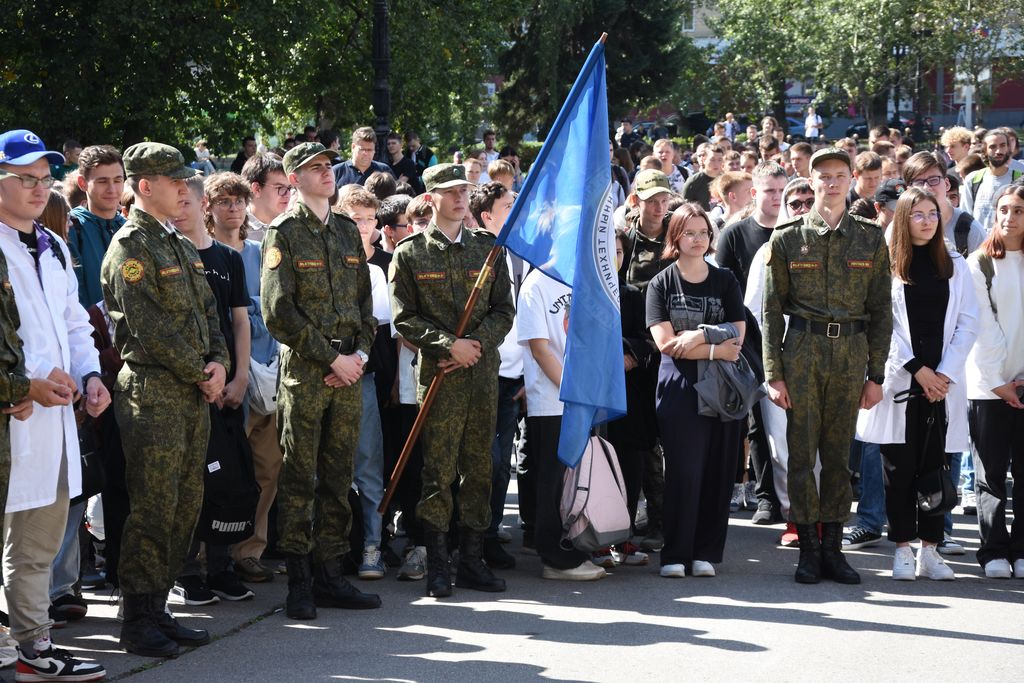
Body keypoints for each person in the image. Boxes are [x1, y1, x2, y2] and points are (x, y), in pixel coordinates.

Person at [101, 142, 228, 657]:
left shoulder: (176, 243)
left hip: (191, 392)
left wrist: (218, 361)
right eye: (174, 181)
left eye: (186, 180)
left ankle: (159, 607)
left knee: (183, 504)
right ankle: (137, 617)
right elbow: (148, 329)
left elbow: (208, 312)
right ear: (145, 186)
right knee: (152, 508)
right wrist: (201, 370)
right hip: (154, 394)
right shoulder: (131, 247)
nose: (185, 188)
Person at [0, 128, 108, 681]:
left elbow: (74, 323)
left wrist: (91, 375)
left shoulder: (53, 244)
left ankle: (33, 649)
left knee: (38, 544)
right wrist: (24, 385)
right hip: (11, 415)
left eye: (43, 178)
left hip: (53, 419)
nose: (38, 188)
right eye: (24, 178)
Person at [260, 142, 382, 618]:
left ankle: (332, 574)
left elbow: (365, 304)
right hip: (308, 372)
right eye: (313, 167)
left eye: (328, 165)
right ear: (294, 179)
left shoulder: (348, 231)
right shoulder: (284, 232)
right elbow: (277, 311)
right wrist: (332, 359)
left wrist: (360, 354)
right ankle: (299, 580)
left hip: (349, 370)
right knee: (300, 477)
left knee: (337, 475)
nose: (325, 172)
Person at [762, 148, 893, 585]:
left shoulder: (870, 237)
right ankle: (808, 548)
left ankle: (834, 548)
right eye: (824, 176)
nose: (832, 183)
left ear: (851, 179)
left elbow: (880, 310)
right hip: (801, 349)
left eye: (840, 175)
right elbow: (770, 311)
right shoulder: (786, 238)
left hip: (851, 352)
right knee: (801, 455)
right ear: (811, 180)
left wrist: (876, 375)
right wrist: (773, 374)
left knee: (838, 457)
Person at [389, 164, 514, 597]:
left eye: (464, 190)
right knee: (437, 471)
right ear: (430, 199)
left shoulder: (488, 248)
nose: (461, 198)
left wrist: (474, 344)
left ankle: (473, 560)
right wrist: (448, 345)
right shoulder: (409, 253)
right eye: (450, 191)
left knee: (479, 467)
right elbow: (404, 318)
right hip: (439, 376)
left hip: (480, 374)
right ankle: (439, 563)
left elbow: (503, 310)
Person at [856, 187, 978, 581]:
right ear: (903, 218)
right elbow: (880, 324)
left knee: (935, 466)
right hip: (902, 381)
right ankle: (903, 548)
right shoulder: (887, 264)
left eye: (932, 213)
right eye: (918, 214)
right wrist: (917, 369)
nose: (926, 221)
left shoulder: (955, 263)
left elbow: (968, 322)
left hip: (942, 383)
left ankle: (931, 549)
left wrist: (944, 372)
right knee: (899, 467)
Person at [647, 203, 746, 578]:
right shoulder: (662, 282)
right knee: (684, 472)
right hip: (679, 388)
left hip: (723, 388)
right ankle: (675, 553)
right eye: (689, 232)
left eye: (703, 232)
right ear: (675, 237)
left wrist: (701, 336)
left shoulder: (725, 281)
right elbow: (665, 343)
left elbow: (738, 335)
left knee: (718, 473)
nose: (697, 239)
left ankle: (706, 552)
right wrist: (715, 348)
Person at [172, 173, 255, 603]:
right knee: (190, 480)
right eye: (176, 202)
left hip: (227, 390)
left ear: (200, 204)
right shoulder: (169, 256)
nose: (179, 209)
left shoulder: (227, 258)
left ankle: (221, 567)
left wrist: (239, 376)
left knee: (227, 480)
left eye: (186, 202)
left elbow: (240, 321)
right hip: (187, 388)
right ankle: (189, 571)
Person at [964, 184, 1024, 579]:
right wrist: (1000, 380)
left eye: (1018, 210)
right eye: (1003, 209)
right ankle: (993, 550)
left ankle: (1021, 549)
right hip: (989, 385)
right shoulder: (980, 261)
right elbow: (983, 327)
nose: (1009, 217)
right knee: (990, 473)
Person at [335, 187, 390, 580]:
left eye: (369, 220)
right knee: (327, 469)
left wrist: (356, 363)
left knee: (368, 465)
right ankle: (329, 550)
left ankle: (372, 545)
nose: (362, 227)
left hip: (362, 377)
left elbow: (375, 326)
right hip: (323, 374)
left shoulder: (373, 273)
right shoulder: (323, 262)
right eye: (355, 218)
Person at [469, 182, 523, 570]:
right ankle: (469, 535)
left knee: (502, 461)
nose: (515, 210)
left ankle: (489, 534)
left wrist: (528, 374)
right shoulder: (476, 253)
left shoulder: (520, 253)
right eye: (508, 206)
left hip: (514, 377)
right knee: (480, 459)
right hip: (479, 372)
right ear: (488, 216)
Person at [67, 145, 127, 308]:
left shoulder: (130, 229)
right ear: (82, 183)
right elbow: (72, 296)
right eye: (102, 181)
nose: (112, 189)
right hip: (90, 330)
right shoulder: (70, 228)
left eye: (117, 180)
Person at [903, 152, 986, 258]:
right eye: (918, 182)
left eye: (933, 180)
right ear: (908, 189)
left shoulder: (971, 229)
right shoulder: (899, 227)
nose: (926, 188)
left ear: (947, 184)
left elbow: (985, 272)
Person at [961, 129, 1024, 232]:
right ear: (985, 150)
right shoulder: (973, 179)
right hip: (980, 244)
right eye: (993, 147)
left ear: (1008, 148)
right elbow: (965, 216)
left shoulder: (1020, 179)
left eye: (1003, 145)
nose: (998, 151)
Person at [241, 153, 291, 243]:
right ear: (256, 189)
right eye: (280, 188)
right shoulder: (235, 230)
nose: (288, 194)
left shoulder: (293, 227)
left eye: (289, 188)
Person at [682, 144, 724, 211]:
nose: (716, 164)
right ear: (704, 160)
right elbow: (686, 207)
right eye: (712, 160)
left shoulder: (726, 180)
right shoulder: (693, 182)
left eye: (720, 160)